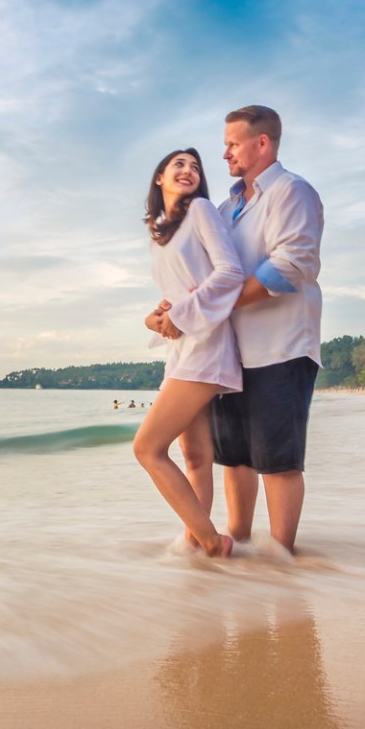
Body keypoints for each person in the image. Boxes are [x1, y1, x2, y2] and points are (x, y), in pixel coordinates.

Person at [182, 105, 323, 556]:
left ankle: (282, 558)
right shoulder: (224, 208)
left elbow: (292, 264)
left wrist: (218, 299)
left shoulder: (291, 191)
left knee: (278, 460)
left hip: (281, 347)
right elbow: (210, 274)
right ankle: (239, 546)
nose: (224, 153)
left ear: (262, 143)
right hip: (230, 354)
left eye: (232, 143)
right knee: (236, 457)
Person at [135, 148, 245, 559]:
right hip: (182, 347)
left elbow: (230, 272)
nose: (188, 171)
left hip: (207, 343)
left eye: (195, 167)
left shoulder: (201, 209)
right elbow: (174, 294)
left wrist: (181, 315)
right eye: (179, 164)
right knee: (195, 456)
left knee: (147, 448)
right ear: (159, 176)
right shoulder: (160, 233)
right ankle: (193, 544)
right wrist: (157, 318)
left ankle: (214, 543)